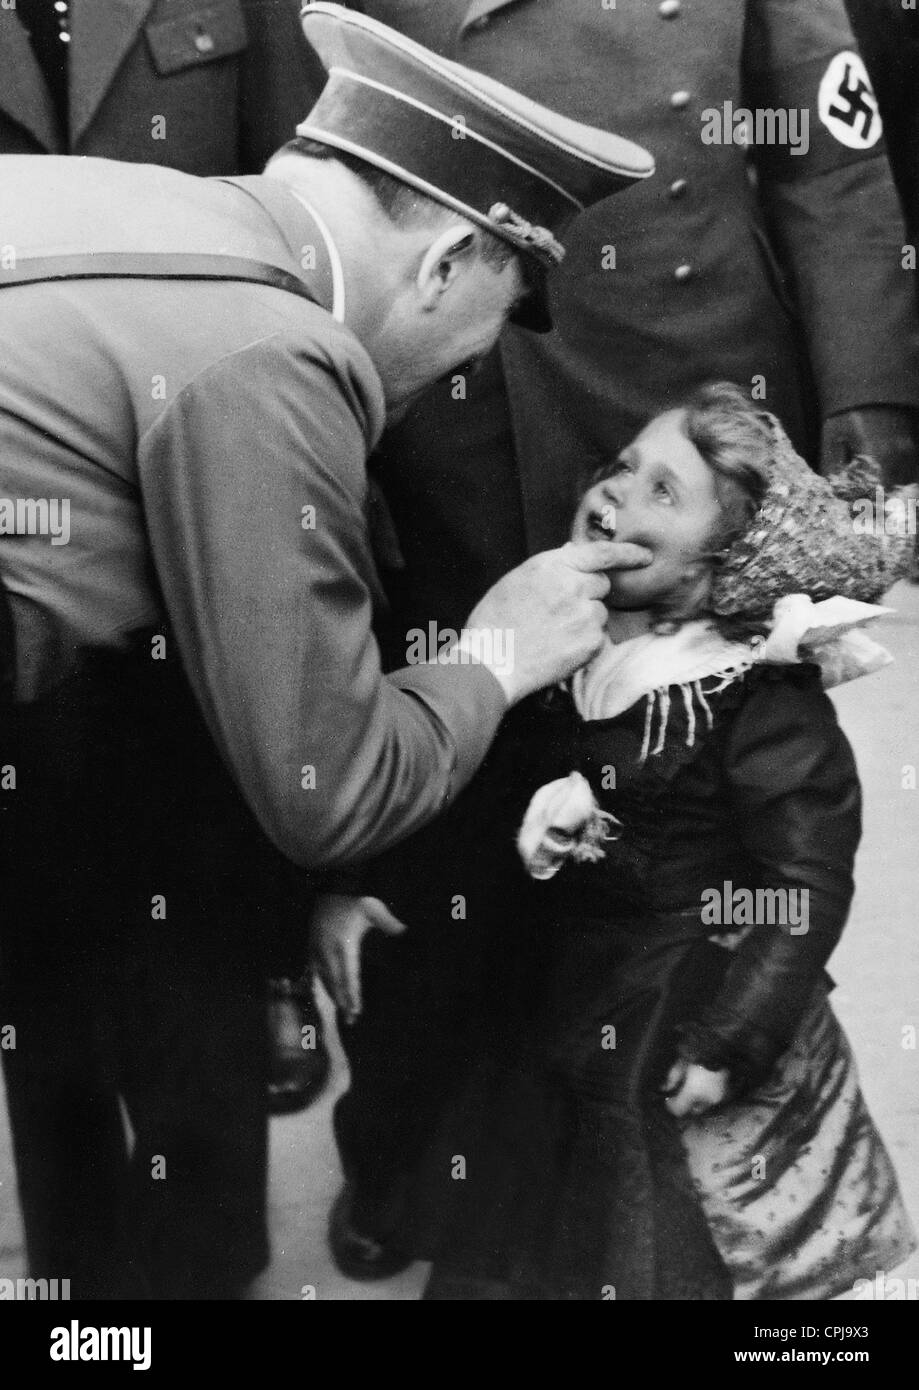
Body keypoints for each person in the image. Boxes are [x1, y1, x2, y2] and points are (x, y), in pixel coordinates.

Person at [0, 4, 656, 1298]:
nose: (417, 392)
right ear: (446, 263)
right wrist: (490, 654)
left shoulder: (126, 204)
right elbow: (328, 787)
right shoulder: (276, 351)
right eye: (466, 350)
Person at [321, 0, 919, 1279]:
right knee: (448, 815)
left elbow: (827, 152)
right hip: (453, 427)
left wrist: (868, 409)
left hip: (688, 403)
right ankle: (416, 1155)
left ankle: (655, 1148)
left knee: (693, 823)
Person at [392, 383, 916, 1299]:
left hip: (683, 1002)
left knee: (666, 1227)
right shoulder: (562, 646)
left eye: (661, 492)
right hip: (563, 986)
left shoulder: (754, 703)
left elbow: (801, 889)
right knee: (541, 1201)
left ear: (722, 565)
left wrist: (728, 1042)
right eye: (622, 467)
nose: (614, 493)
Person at [0, 0, 335, 1118]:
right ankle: (80, 1256)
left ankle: (209, 1242)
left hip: (205, 487)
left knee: (200, 885)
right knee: (32, 928)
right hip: (14, 529)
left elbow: (300, 199)